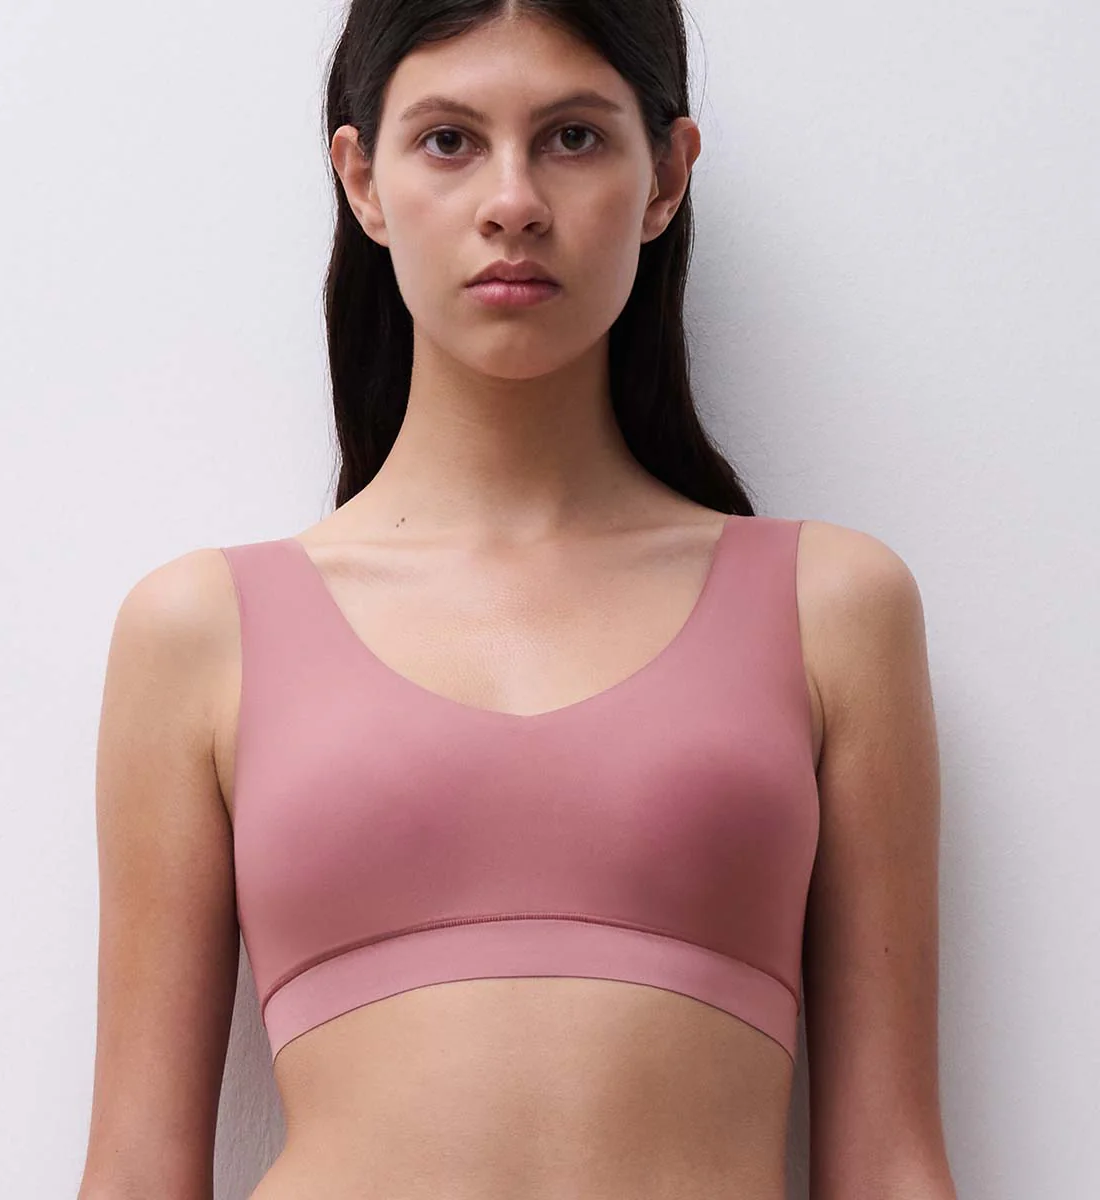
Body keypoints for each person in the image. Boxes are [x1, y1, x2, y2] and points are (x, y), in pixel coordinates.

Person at [77, 2, 957, 1198]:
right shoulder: (201, 631)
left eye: (573, 137)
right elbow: (135, 1170)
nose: (513, 202)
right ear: (362, 180)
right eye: (448, 140)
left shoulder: (832, 609)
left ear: (667, 177)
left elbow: (891, 1163)